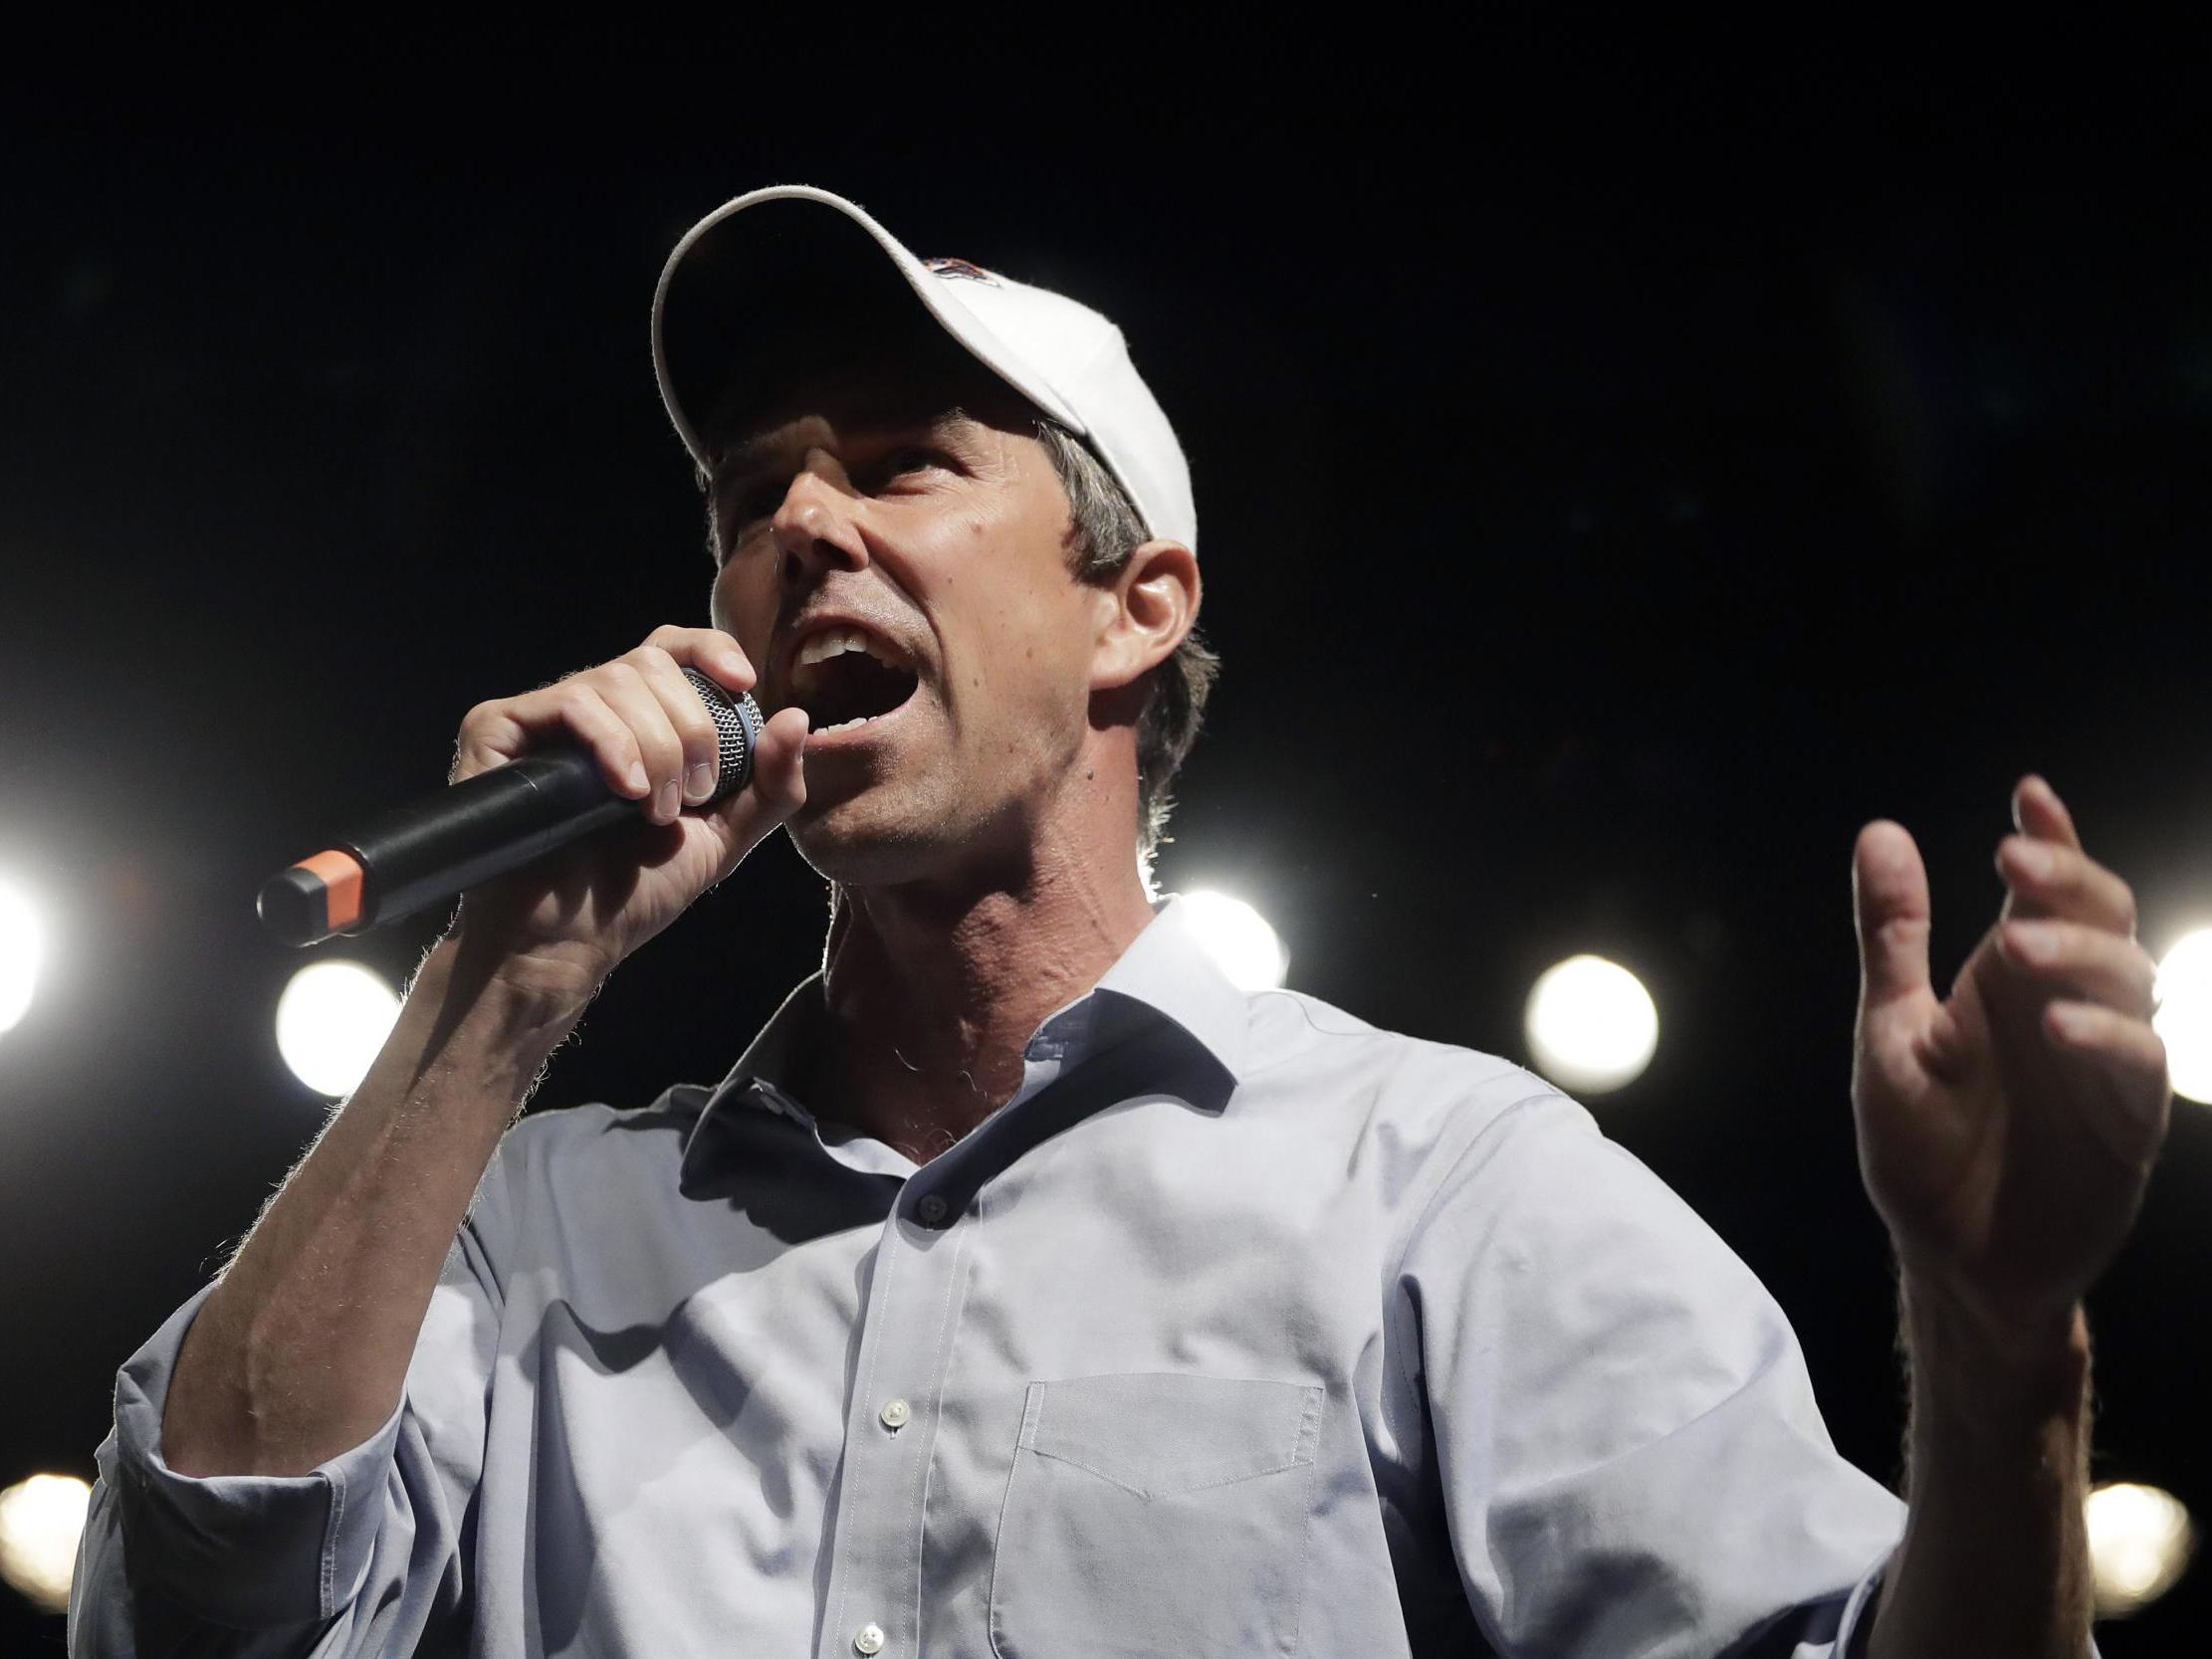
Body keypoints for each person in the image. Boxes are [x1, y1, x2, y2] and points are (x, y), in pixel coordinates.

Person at [70, 185, 2166, 1659]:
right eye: (747, 499)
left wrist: (1999, 1357)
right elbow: (190, 1614)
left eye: (900, 468)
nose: (794, 529)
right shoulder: (527, 1238)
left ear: (1134, 605)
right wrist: (490, 998)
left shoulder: (1439, 1197)